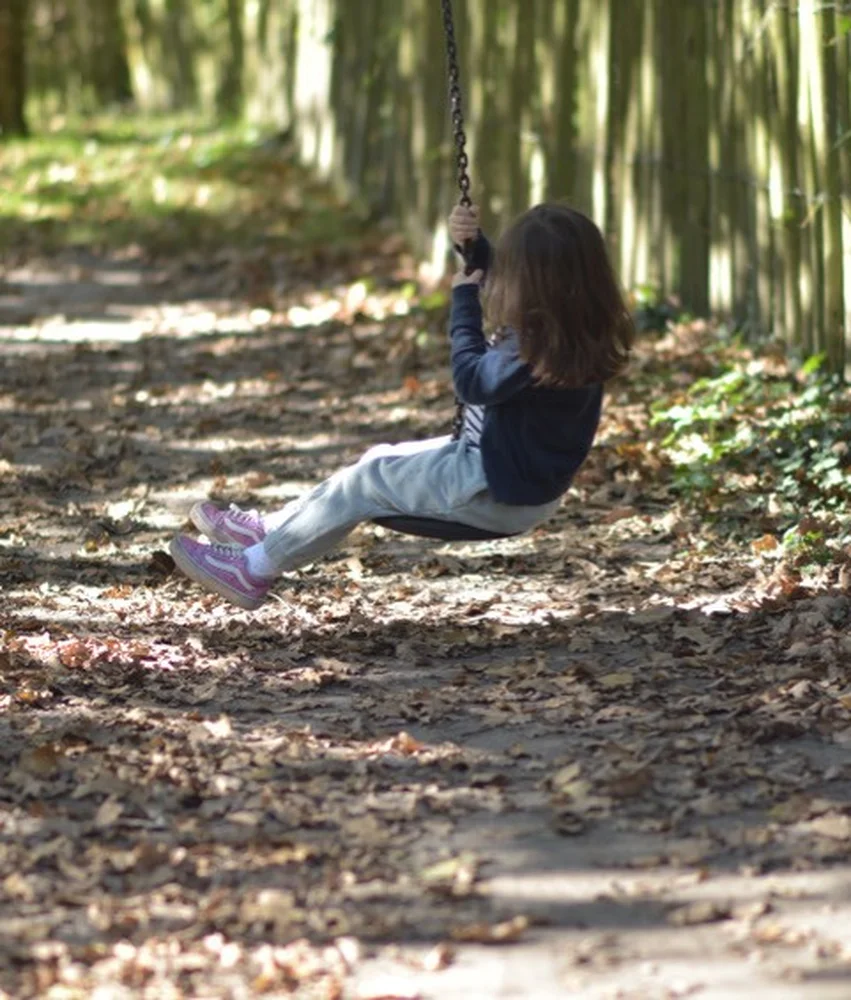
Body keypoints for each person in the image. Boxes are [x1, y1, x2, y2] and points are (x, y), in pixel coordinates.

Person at [168, 202, 634, 610]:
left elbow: (472, 379)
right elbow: (530, 288)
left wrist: (465, 304)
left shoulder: (530, 350)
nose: (506, 281)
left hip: (492, 487)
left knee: (365, 483)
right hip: (504, 472)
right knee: (375, 461)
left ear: (535, 288)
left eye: (513, 272)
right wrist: (478, 251)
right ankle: (268, 530)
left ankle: (253, 569)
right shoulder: (573, 331)